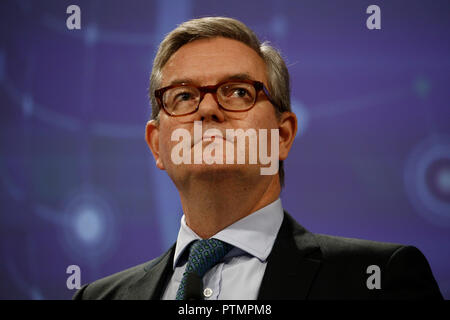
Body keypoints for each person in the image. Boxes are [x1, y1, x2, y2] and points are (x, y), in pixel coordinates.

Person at [73, 16, 442, 300]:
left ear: (282, 135)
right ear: (157, 146)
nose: (208, 109)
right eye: (183, 96)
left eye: (237, 92)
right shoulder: (99, 297)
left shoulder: (379, 278)